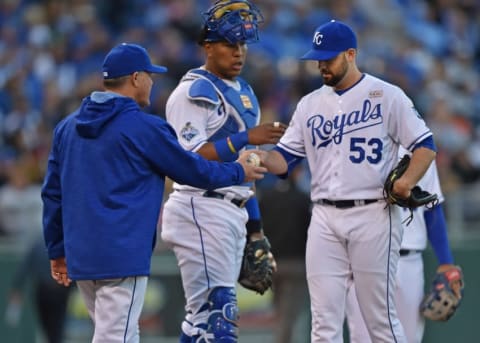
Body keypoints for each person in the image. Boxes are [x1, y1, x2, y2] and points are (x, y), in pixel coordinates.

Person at [41, 42, 267, 343]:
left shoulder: (66, 128)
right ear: (135, 78)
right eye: (150, 75)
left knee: (116, 332)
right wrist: (239, 170)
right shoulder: (144, 128)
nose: (152, 82)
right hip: (121, 254)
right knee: (116, 337)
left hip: (82, 255)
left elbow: (52, 194)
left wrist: (57, 250)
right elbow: (195, 171)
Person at [257, 20, 437, 342]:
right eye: (318, 58)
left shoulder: (386, 95)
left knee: (378, 319)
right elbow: (284, 160)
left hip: (374, 213)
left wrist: (406, 181)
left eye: (328, 58)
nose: (321, 65)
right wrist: (256, 155)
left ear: (351, 54)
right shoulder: (309, 104)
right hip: (324, 216)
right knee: (323, 324)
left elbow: (426, 146)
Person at [160, 1, 287, 342]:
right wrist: (247, 137)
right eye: (231, 44)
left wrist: (256, 229)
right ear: (208, 46)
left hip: (232, 209)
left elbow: (250, 169)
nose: (239, 52)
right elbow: (190, 160)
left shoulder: (245, 93)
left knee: (201, 320)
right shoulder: (192, 91)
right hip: (200, 205)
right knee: (221, 315)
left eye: (243, 44)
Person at [345, 148, 457, 343]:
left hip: (409, 261)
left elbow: (432, 207)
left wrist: (446, 261)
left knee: (409, 338)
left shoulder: (422, 150)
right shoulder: (357, 145)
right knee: (363, 339)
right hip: (365, 258)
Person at [258, 165, 311, 343]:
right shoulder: (303, 199)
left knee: (280, 313)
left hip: (272, 264)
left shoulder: (266, 197)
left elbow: (260, 230)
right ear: (297, 173)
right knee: (287, 318)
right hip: (296, 264)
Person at [5, 234, 72, 343]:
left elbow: (25, 267)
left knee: (50, 326)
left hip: (45, 290)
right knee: (56, 327)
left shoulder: (39, 244)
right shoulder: (63, 245)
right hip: (57, 290)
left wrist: (17, 287)